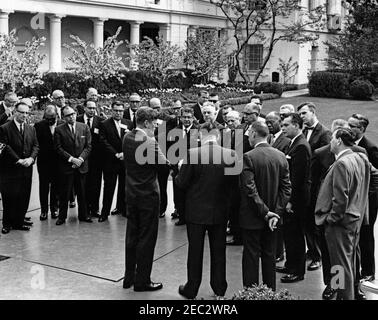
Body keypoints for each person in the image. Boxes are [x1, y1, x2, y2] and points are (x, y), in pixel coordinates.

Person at [176, 122, 237, 300]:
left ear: (201, 136)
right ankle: (219, 287)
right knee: (219, 251)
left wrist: (180, 169)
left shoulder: (192, 154)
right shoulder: (230, 155)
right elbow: (235, 186)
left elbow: (181, 183)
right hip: (220, 211)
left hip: (196, 211)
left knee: (195, 251)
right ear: (218, 136)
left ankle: (191, 288)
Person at [312, 119, 368, 300]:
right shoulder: (360, 157)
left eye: (332, 140)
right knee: (348, 264)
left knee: (338, 266)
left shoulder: (342, 163)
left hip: (339, 224)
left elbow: (340, 198)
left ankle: (343, 296)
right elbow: (372, 178)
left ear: (338, 141)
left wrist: (331, 218)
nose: (330, 143)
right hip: (354, 220)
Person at [239, 121, 291, 290]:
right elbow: (286, 188)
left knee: (251, 256)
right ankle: (270, 292)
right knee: (269, 255)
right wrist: (276, 213)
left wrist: (266, 212)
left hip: (253, 218)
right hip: (273, 220)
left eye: (249, 135)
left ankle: (251, 293)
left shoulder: (248, 156)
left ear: (254, 134)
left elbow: (249, 189)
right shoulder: (280, 156)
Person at [122, 107, 170, 292]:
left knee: (132, 236)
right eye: (155, 124)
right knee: (147, 239)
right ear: (147, 123)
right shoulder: (149, 142)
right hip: (148, 197)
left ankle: (129, 277)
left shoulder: (127, 137)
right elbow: (163, 166)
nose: (156, 128)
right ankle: (142, 280)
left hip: (131, 194)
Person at [297, 102, 331, 271]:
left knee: (314, 224)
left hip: (316, 185)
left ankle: (317, 256)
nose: (301, 116)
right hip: (304, 184)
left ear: (312, 112)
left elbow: (326, 163)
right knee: (305, 221)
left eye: (304, 113)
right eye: (300, 114)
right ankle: (311, 251)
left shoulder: (324, 133)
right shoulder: (302, 131)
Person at [278, 113, 311, 283]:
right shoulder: (294, 143)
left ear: (296, 125)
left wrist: (290, 201)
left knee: (296, 236)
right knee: (289, 234)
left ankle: (297, 271)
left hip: (296, 201)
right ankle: (290, 264)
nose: (282, 128)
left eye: (285, 125)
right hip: (292, 198)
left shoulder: (301, 146)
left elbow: (298, 178)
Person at [0, 101, 39, 234]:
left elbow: (35, 146)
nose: (24, 115)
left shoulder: (31, 128)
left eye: (27, 113)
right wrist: (18, 160)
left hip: (26, 169)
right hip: (10, 170)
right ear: (15, 112)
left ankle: (19, 221)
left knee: (23, 196)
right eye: (21, 112)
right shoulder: (5, 128)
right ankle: (7, 224)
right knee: (9, 197)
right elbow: (5, 146)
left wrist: (31, 159)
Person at [348, 113, 378, 284]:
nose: (348, 128)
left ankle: (368, 271)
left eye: (352, 126)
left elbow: (376, 178)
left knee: (366, 236)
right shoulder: (350, 144)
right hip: (355, 201)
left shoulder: (371, 148)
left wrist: (366, 197)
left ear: (361, 129)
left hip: (368, 203)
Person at [54, 106, 92, 225]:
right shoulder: (59, 129)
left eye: (73, 114)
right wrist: (71, 159)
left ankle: (84, 215)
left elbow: (88, 146)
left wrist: (80, 159)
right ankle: (62, 217)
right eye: (68, 115)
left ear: (76, 113)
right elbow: (58, 148)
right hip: (67, 167)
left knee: (82, 193)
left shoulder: (84, 127)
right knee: (64, 193)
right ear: (64, 117)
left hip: (81, 165)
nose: (71, 117)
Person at [99, 101, 132, 221]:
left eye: (120, 111)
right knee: (109, 187)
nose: (118, 113)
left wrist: (125, 153)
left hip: (125, 161)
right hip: (110, 161)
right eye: (116, 110)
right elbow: (103, 141)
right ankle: (104, 213)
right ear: (111, 111)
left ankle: (122, 209)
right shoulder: (104, 124)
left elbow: (132, 140)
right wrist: (116, 154)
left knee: (124, 187)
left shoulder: (129, 123)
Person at [265, 111, 291, 262]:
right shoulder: (269, 137)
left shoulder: (286, 140)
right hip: (269, 185)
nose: (269, 124)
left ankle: (279, 252)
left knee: (279, 222)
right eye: (267, 122)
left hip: (279, 186)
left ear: (279, 122)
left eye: (272, 121)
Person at [167, 106, 200, 226]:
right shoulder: (173, 131)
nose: (186, 119)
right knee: (179, 193)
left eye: (189, 117)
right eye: (184, 117)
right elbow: (169, 149)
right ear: (180, 118)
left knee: (193, 192)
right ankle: (182, 217)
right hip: (178, 168)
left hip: (194, 167)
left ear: (193, 118)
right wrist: (173, 166)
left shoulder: (199, 131)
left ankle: (193, 216)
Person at [34, 105, 63, 221]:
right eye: (48, 118)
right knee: (44, 187)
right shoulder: (39, 126)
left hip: (58, 161)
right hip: (44, 162)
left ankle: (54, 209)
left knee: (56, 186)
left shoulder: (62, 124)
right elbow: (36, 143)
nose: (50, 121)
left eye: (52, 118)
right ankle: (44, 211)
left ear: (56, 115)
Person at [77, 100, 105, 218]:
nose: (92, 110)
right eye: (90, 108)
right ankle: (84, 210)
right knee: (83, 185)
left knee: (96, 184)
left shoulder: (101, 121)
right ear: (84, 108)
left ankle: (95, 209)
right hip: (81, 158)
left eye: (94, 108)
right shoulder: (77, 120)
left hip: (96, 159)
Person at [223, 110, 243, 245]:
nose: (230, 123)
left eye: (233, 120)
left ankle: (238, 235)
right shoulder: (227, 134)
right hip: (229, 175)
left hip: (238, 176)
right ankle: (234, 229)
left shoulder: (242, 136)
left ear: (239, 120)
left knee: (237, 206)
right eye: (228, 121)